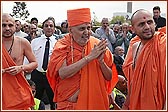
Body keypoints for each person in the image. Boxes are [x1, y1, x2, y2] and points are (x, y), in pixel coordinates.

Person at [46, 8, 118, 110]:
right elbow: (63, 73)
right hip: (69, 105)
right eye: (82, 29)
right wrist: (89, 58)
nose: (87, 32)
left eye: (88, 28)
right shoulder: (62, 45)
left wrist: (101, 62)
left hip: (94, 103)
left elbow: (109, 77)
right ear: (71, 30)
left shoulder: (97, 45)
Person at [122, 9, 166, 110]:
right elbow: (134, 81)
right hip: (138, 105)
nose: (147, 27)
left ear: (154, 24)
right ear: (132, 29)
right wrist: (126, 105)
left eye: (149, 22)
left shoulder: (163, 44)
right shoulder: (135, 47)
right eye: (141, 24)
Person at [2, 13, 38, 110]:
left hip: (17, 90)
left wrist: (20, 68)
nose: (7, 28)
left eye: (10, 25)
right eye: (3, 25)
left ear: (15, 26)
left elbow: (34, 63)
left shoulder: (23, 42)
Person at [30, 18, 57, 110]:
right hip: (37, 74)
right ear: (43, 28)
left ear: (54, 28)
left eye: (51, 26)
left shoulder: (58, 43)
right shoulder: (35, 42)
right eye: (46, 26)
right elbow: (29, 58)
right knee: (35, 101)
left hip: (52, 76)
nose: (49, 28)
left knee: (53, 101)